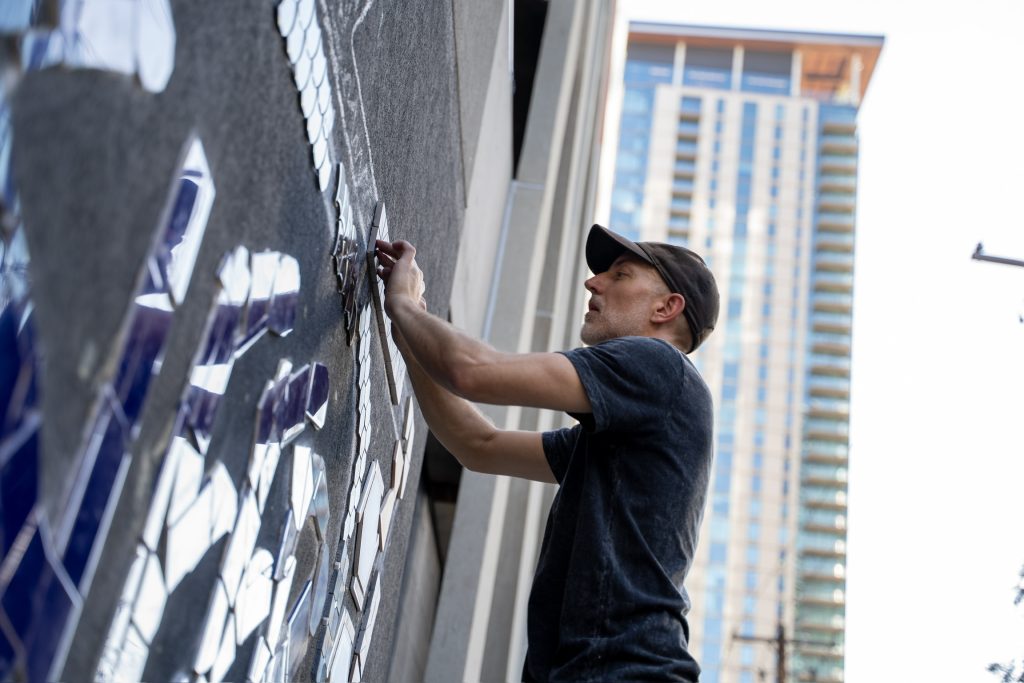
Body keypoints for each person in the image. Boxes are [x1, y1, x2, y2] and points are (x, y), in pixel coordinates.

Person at [374, 224, 719, 682]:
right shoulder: (625, 434)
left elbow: (472, 371)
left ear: (666, 307)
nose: (592, 282)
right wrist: (411, 333)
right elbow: (480, 446)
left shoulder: (660, 367)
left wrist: (402, 303)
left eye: (619, 275)